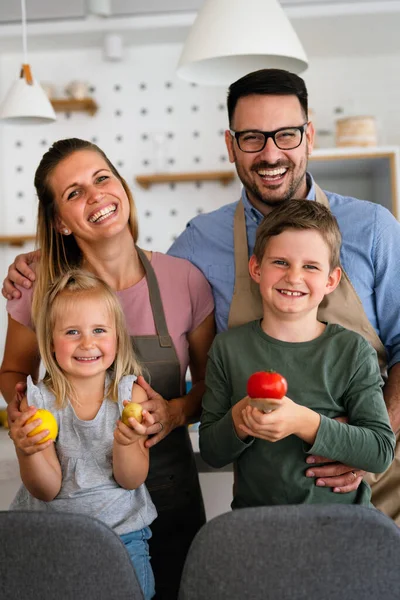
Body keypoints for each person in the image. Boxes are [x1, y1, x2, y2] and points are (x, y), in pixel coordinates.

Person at [4, 70, 400, 517]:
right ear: (231, 146)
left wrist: (354, 445)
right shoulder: (197, 245)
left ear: (309, 136)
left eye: (286, 135)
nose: (270, 153)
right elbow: (123, 271)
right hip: (256, 504)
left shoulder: (375, 229)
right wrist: (44, 260)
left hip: (375, 494)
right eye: (252, 138)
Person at [0, 138, 215, 600]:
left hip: (168, 491)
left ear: (121, 186)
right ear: (59, 220)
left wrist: (175, 412)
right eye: (74, 192)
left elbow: (215, 388)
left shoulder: (184, 279)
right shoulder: (38, 285)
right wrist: (23, 417)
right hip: (70, 505)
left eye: (102, 178)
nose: (95, 195)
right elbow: (13, 372)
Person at [199, 200, 396, 510]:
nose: (293, 276)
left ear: (331, 280)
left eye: (310, 266)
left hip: (344, 525)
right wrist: (239, 419)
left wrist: (306, 422)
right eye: (280, 262)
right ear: (256, 269)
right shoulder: (227, 349)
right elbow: (211, 451)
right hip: (259, 525)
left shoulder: (352, 351)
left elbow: (380, 451)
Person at [9, 270, 157, 600]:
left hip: (122, 537)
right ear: (50, 342)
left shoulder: (130, 397)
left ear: (118, 337)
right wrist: (28, 449)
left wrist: (126, 443)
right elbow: (46, 489)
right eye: (72, 332)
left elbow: (132, 479)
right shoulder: (38, 402)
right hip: (51, 537)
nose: (87, 343)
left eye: (99, 331)